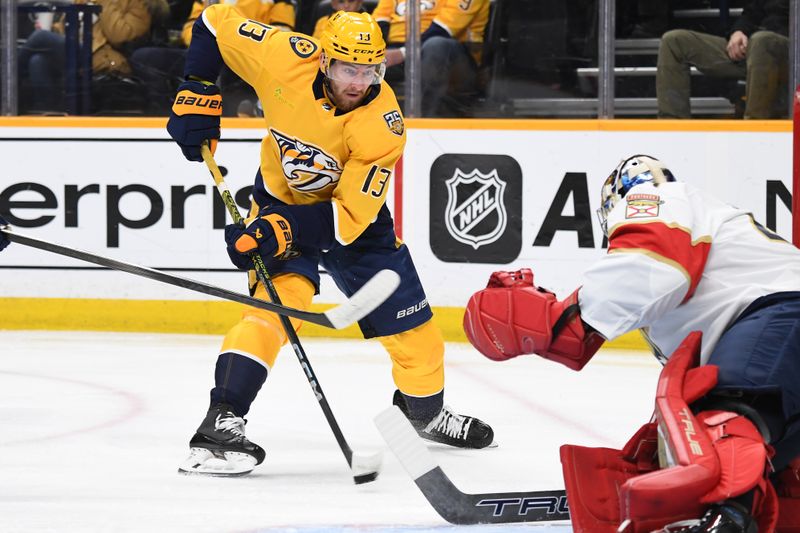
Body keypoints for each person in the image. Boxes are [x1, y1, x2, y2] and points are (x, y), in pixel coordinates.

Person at [166, 7, 494, 475]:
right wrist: (197, 86)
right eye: (348, 69)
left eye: (369, 70)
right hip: (280, 200)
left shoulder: (384, 125)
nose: (359, 82)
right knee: (271, 315)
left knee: (420, 341)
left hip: (351, 222)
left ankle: (424, 416)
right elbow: (215, 21)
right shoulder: (283, 56)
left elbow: (347, 221)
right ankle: (220, 423)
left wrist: (277, 232)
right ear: (324, 61)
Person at [463, 155, 800, 531]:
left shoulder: (657, 199)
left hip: (782, 316)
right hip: (781, 342)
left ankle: (723, 521)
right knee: (764, 468)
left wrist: (562, 320)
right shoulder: (706, 239)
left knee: (726, 425)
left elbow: (651, 264)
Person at [131, 0, 296, 116]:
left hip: (246, 59)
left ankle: (235, 114)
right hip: (205, 53)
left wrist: (232, 43)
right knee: (144, 58)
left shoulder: (278, 1)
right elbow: (190, 27)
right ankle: (166, 115)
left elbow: (282, 33)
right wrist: (205, 41)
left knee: (225, 70)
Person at [657, 0, 789, 119]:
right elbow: (752, 12)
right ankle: (672, 127)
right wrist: (738, 31)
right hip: (754, 46)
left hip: (789, 52)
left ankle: (754, 129)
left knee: (762, 40)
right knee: (674, 41)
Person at [372, 0, 489, 117]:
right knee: (365, 57)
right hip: (399, 50)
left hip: (455, 54)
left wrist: (403, 53)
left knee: (436, 46)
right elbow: (379, 21)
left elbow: (444, 29)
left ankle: (426, 122)